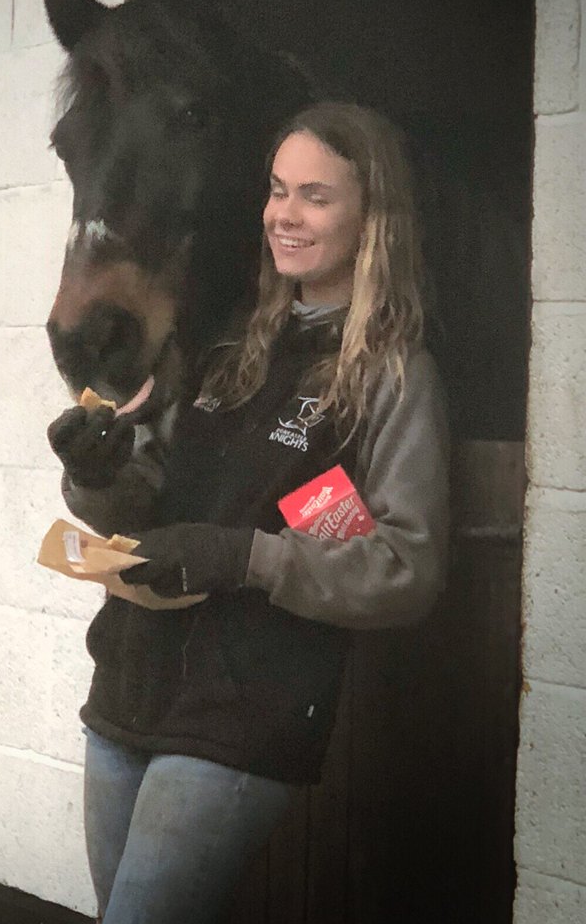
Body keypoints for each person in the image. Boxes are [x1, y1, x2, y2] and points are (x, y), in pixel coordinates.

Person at [48, 102, 450, 924]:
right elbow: (150, 500)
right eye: (276, 189)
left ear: (373, 218)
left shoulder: (393, 376)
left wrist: (245, 558)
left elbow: (406, 569)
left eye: (315, 196)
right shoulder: (232, 346)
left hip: (242, 716)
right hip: (127, 685)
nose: (283, 215)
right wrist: (96, 474)